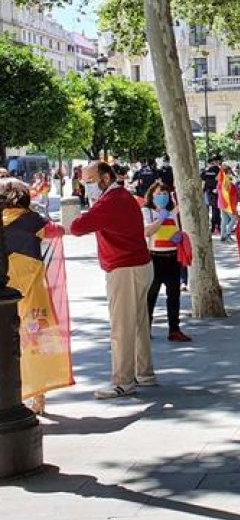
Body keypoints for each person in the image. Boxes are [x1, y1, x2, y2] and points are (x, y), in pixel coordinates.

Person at [69, 161, 157, 399]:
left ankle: (122, 381)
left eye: (88, 182)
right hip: (140, 265)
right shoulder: (123, 196)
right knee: (138, 323)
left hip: (124, 269)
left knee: (122, 327)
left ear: (105, 179)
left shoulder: (109, 201)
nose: (85, 187)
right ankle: (144, 373)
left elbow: (77, 227)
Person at [1, 178, 69, 416]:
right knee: (35, 341)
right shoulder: (34, 220)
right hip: (32, 291)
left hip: (5, 290)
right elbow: (58, 231)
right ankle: (37, 396)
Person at [142, 181, 191, 342]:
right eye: (158, 194)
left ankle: (174, 330)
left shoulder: (173, 212)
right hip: (154, 258)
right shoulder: (147, 211)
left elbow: (178, 229)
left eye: (165, 194)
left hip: (172, 258)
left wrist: (179, 237)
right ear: (151, 195)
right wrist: (160, 220)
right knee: (151, 296)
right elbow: (147, 232)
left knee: (174, 296)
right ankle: (145, 329)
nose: (162, 197)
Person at [217, 165, 240, 243]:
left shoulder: (220, 180)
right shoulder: (226, 180)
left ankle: (223, 236)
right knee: (234, 218)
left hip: (222, 203)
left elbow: (218, 190)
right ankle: (227, 234)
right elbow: (230, 192)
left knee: (224, 220)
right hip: (228, 203)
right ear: (228, 171)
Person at [201, 156, 221, 235]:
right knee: (216, 210)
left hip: (208, 192)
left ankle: (210, 227)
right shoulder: (219, 170)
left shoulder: (206, 171)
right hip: (217, 192)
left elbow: (203, 179)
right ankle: (216, 226)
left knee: (209, 210)